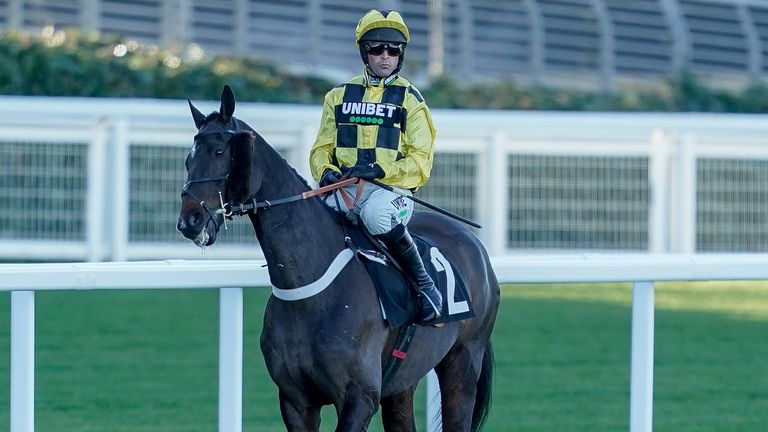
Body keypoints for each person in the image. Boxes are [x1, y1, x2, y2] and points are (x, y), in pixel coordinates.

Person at [309, 9, 443, 325]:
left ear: (401, 55)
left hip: (391, 191)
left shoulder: (411, 100)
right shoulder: (337, 96)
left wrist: (383, 171)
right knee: (313, 220)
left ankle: (425, 286)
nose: (385, 57)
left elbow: (421, 161)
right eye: (376, 49)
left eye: (393, 50)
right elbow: (321, 148)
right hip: (346, 186)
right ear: (363, 52)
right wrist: (325, 171)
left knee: (375, 216)